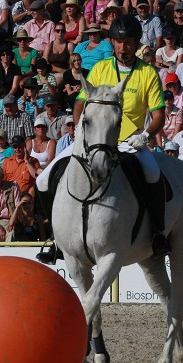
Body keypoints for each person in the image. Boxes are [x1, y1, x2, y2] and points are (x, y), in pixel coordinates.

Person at [36, 15, 170, 262]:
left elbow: (159, 114)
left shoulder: (148, 73)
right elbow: (80, 103)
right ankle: (56, 238)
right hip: (93, 141)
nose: (123, 47)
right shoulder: (100, 68)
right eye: (118, 42)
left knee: (153, 174)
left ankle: (158, 234)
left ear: (136, 43)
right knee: (44, 178)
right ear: (112, 43)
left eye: (128, 42)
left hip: (130, 141)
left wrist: (146, 135)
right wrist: (77, 128)